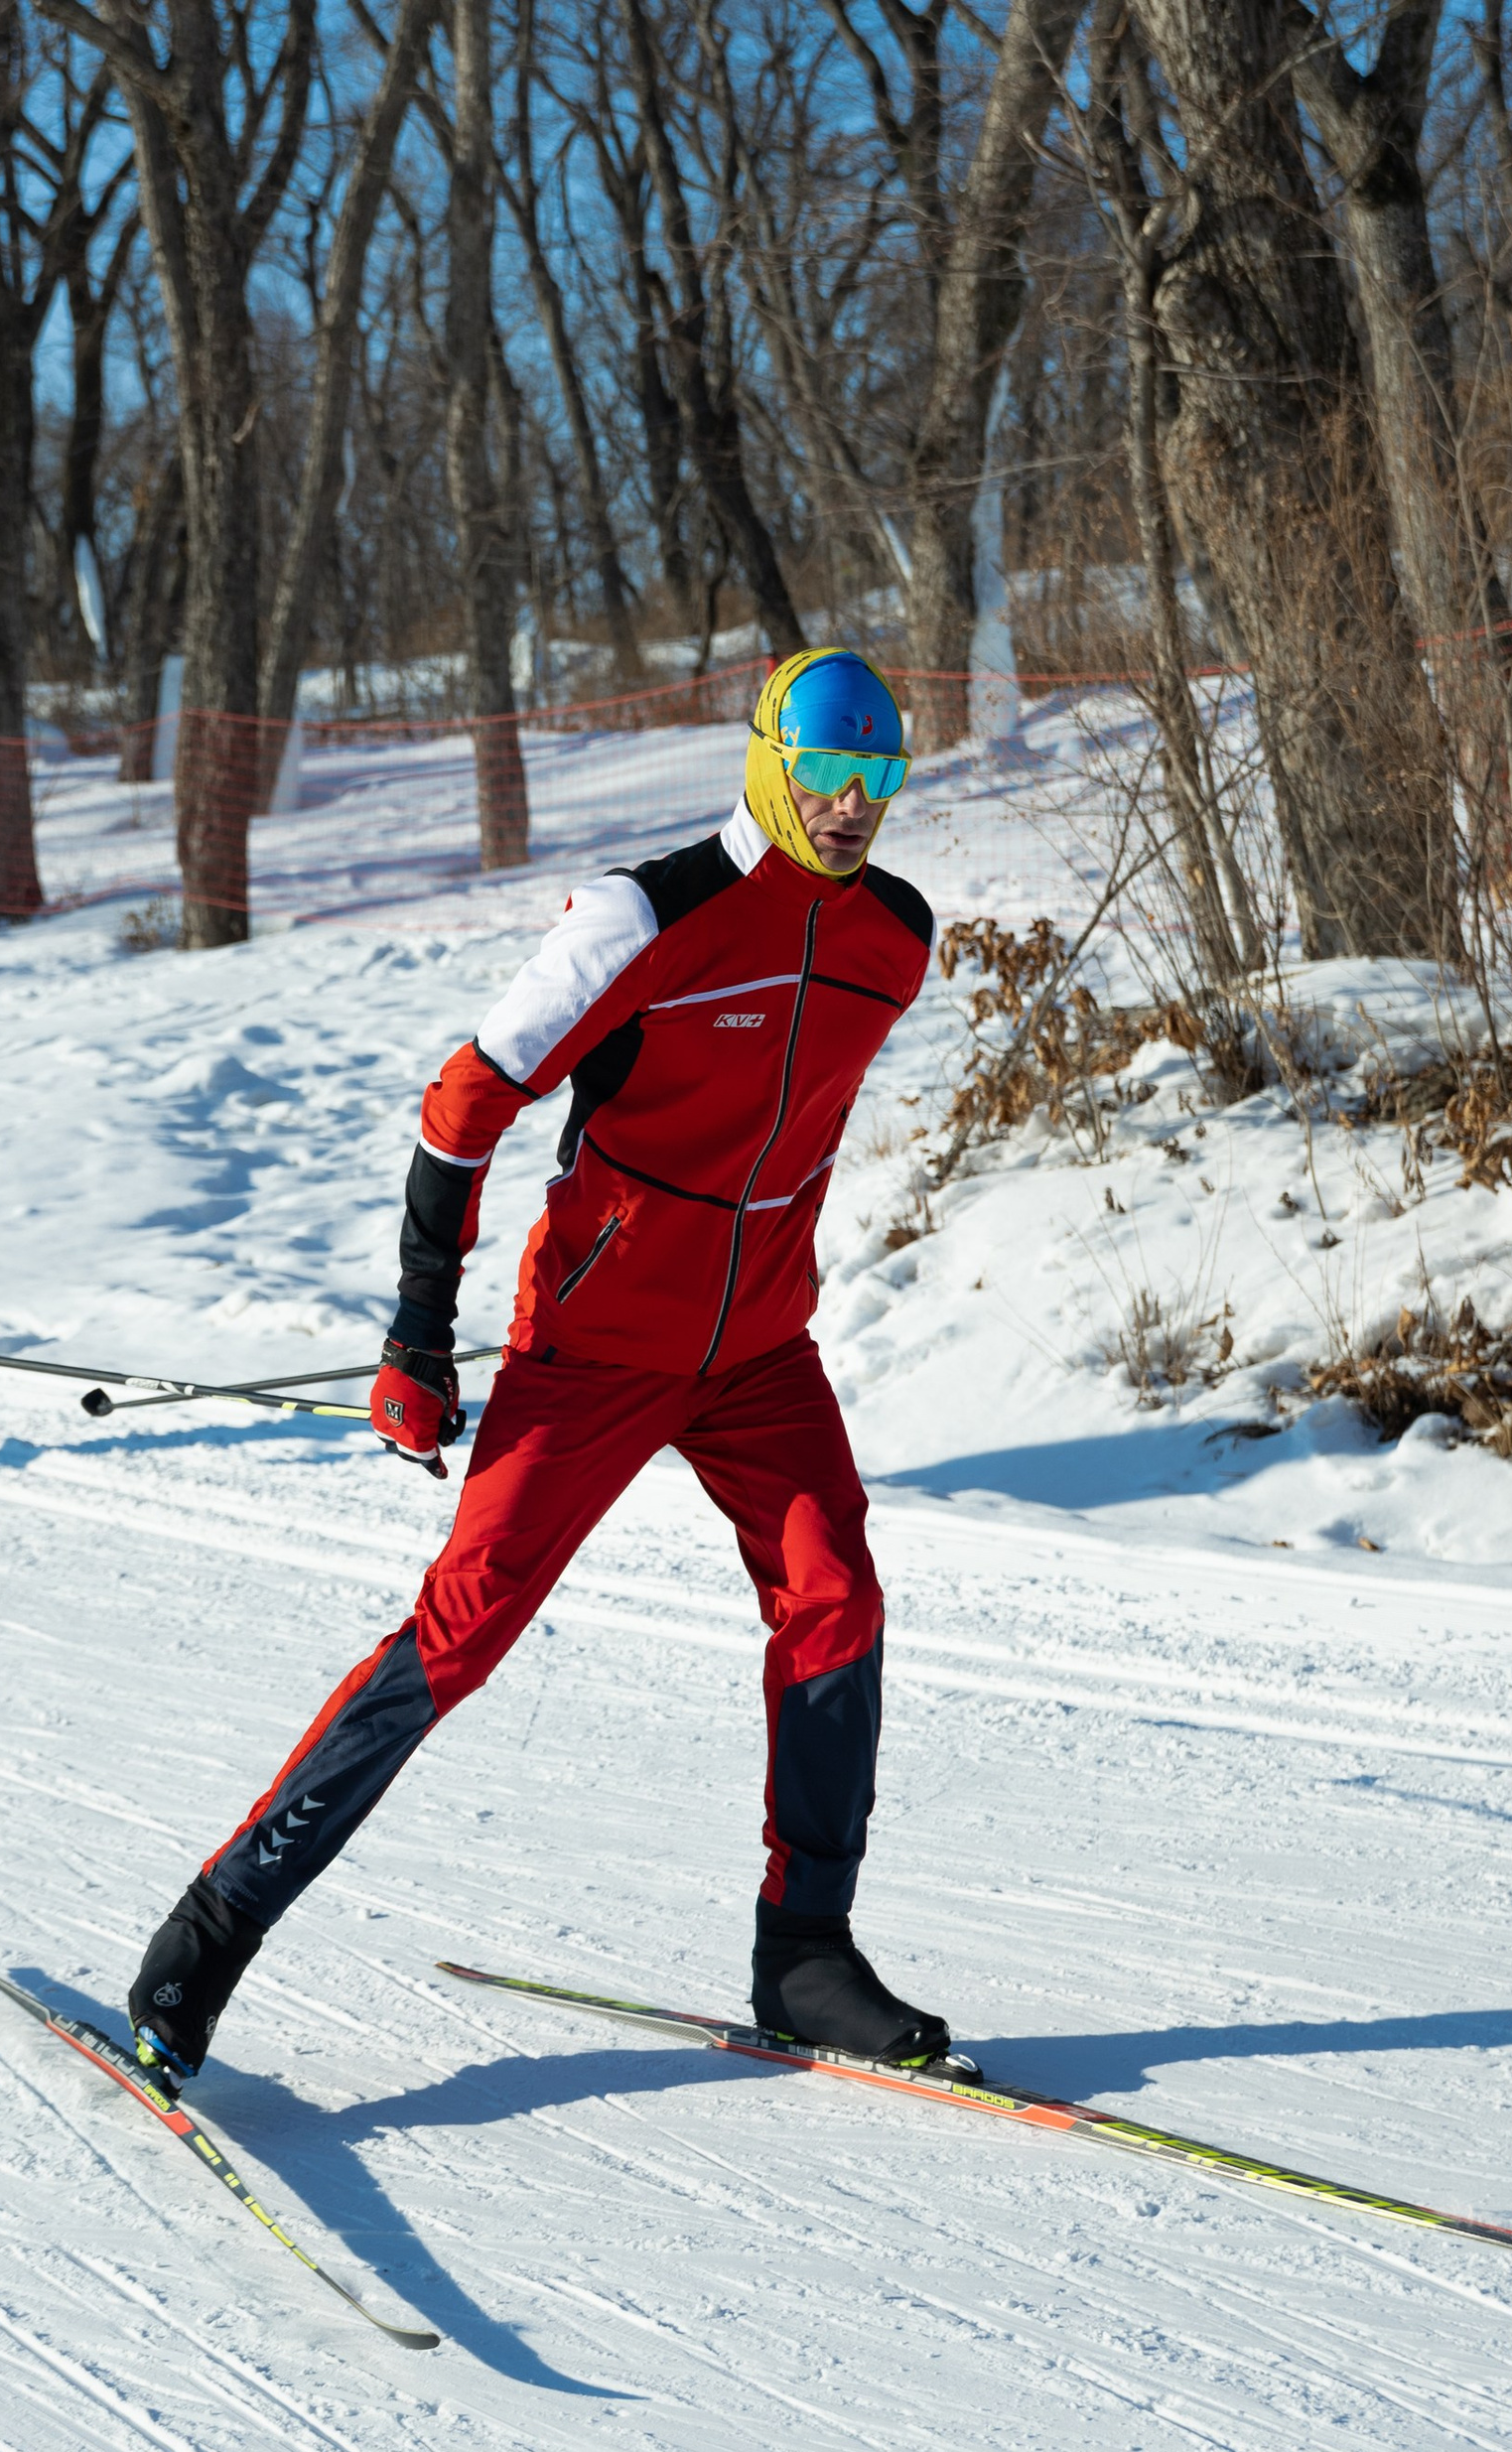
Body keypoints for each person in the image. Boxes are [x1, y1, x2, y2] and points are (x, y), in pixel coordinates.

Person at [127, 650, 955, 2083]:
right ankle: (208, 1937)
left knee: (838, 1597)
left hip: (760, 1348)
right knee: (461, 1631)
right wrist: (414, 1331)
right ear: (769, 756)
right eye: (827, 772)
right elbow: (465, 1104)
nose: (850, 806)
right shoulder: (648, 916)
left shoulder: (894, 936)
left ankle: (806, 1954)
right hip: (596, 1347)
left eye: (878, 779)